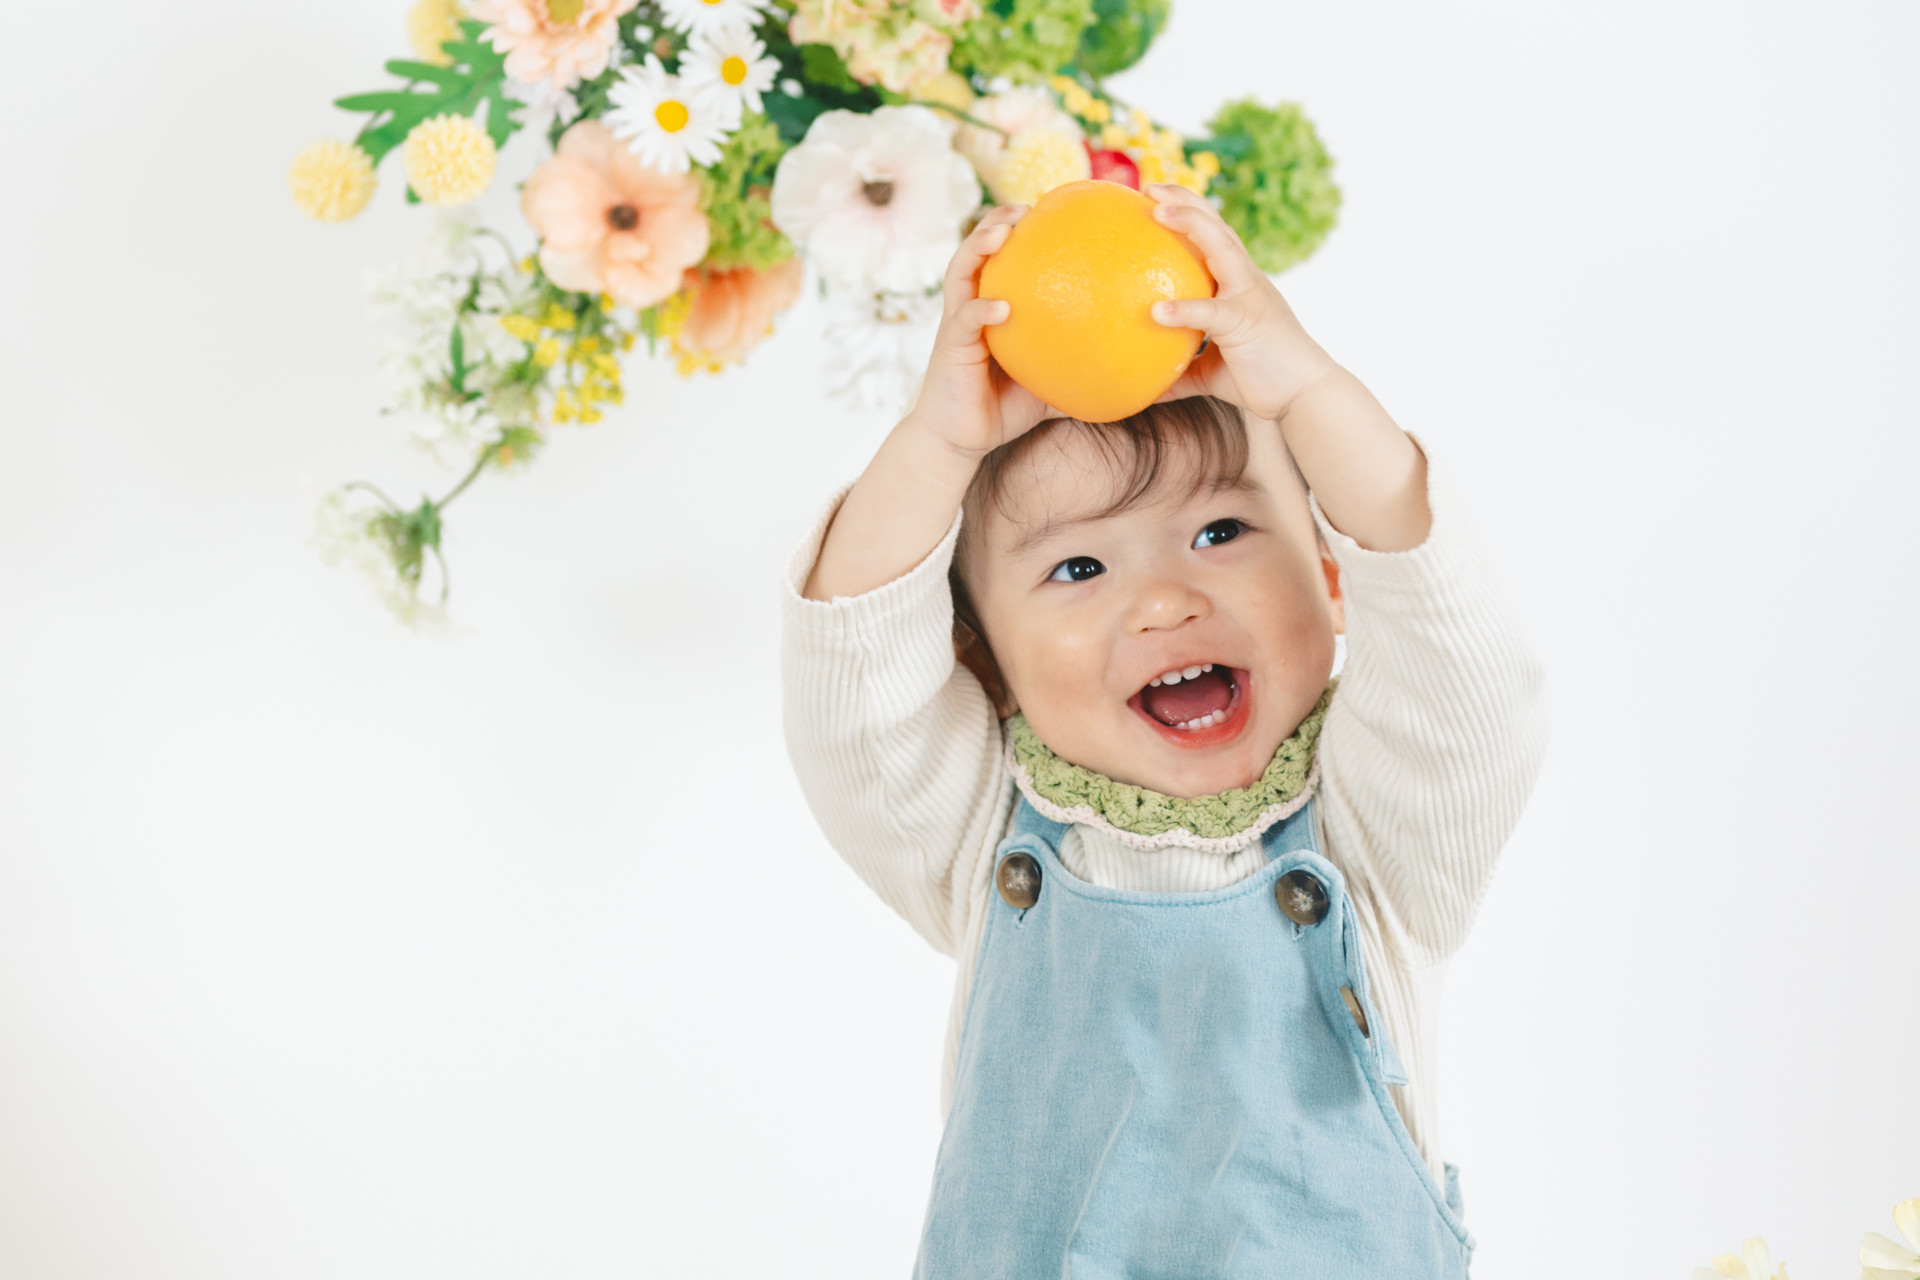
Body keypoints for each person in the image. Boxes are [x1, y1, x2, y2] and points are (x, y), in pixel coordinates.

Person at [779, 183, 1549, 1276]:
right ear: (980, 662)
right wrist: (938, 441)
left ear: (1335, 577)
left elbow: (1467, 674)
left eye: (1221, 529)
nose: (1164, 600)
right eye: (1079, 566)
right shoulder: (974, 835)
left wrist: (1311, 391)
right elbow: (851, 682)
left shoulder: (1375, 833)